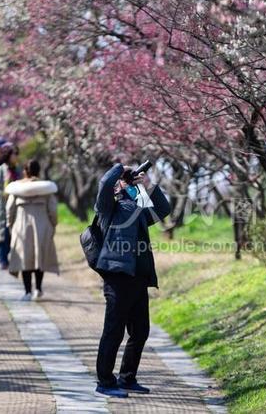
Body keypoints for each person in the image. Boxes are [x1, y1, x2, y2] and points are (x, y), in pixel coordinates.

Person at [93, 162, 171, 398]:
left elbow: (163, 208)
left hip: (138, 279)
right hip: (117, 278)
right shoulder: (108, 209)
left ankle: (127, 378)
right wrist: (121, 169)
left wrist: (143, 185)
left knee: (141, 331)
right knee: (113, 331)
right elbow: (105, 183)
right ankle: (105, 381)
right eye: (122, 184)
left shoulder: (137, 211)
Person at [5, 160, 59, 301]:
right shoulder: (47, 189)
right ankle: (38, 289)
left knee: (25, 259)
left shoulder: (16, 189)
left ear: (25, 171)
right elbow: (53, 210)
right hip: (43, 226)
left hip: (21, 226)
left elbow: (9, 209)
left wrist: (10, 225)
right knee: (38, 257)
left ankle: (27, 292)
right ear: (38, 171)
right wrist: (53, 225)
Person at [0, 143, 19, 271]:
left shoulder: (18, 170)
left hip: (16, 207)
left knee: (14, 234)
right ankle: (3, 259)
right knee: (3, 235)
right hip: (1, 207)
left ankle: (11, 258)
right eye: (14, 154)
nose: (16, 157)